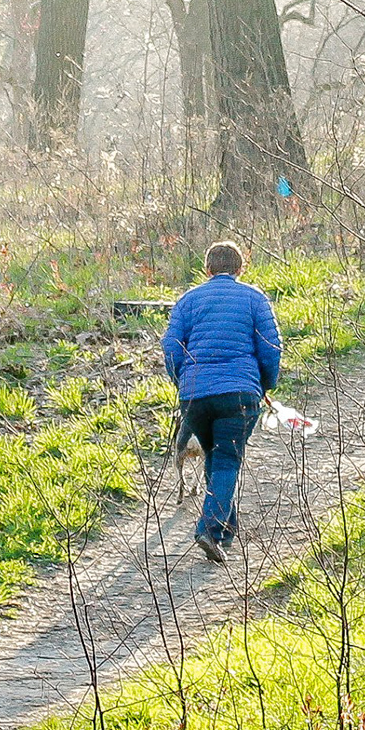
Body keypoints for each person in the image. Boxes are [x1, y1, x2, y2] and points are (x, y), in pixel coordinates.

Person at [160, 239, 282, 562]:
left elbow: (170, 346)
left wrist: (182, 382)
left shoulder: (187, 301)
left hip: (194, 395)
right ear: (241, 268)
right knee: (228, 458)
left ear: (207, 269)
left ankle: (226, 531)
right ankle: (210, 529)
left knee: (216, 455)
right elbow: (271, 349)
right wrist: (265, 384)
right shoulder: (255, 299)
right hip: (239, 393)